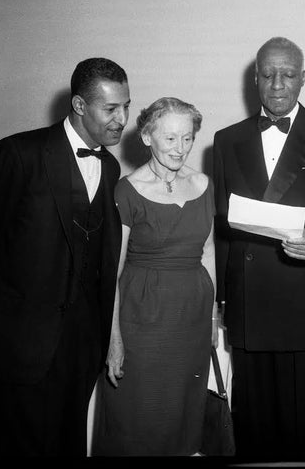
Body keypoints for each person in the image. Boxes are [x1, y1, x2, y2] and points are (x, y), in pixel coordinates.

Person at [0, 58, 131, 456]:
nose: (122, 119)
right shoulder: (17, 153)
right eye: (111, 109)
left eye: (126, 106)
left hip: (81, 346)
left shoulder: (111, 166)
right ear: (80, 106)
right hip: (19, 345)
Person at [213, 36, 305, 458]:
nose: (277, 84)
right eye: (267, 74)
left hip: (304, 296)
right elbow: (222, 227)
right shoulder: (226, 140)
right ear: (255, 79)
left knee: (304, 430)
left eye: (287, 74)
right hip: (248, 302)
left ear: (302, 79)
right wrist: (224, 297)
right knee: (253, 427)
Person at [92, 97, 219, 456]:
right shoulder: (127, 190)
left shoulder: (205, 184)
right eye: (170, 139)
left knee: (183, 413)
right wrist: (113, 337)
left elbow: (208, 252)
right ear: (147, 137)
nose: (180, 149)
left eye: (188, 138)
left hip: (191, 318)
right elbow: (112, 271)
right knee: (138, 413)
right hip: (141, 317)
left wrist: (211, 318)